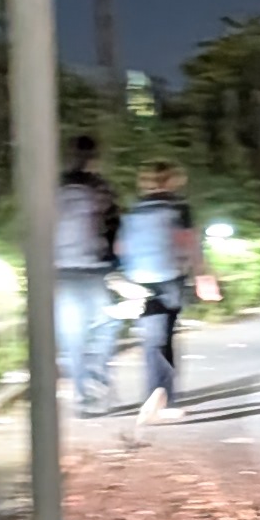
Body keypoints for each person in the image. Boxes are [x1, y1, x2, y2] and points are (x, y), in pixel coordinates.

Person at [115, 160, 198, 424]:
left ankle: (159, 397)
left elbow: (121, 247)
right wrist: (200, 271)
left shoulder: (134, 209)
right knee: (165, 339)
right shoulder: (179, 208)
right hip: (170, 277)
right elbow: (189, 242)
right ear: (171, 180)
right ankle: (161, 399)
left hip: (138, 280)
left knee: (153, 340)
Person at [54, 137, 120, 417]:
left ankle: (81, 395)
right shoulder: (99, 187)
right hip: (94, 268)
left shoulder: (52, 187)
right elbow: (114, 226)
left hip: (59, 271)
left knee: (71, 332)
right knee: (107, 323)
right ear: (94, 158)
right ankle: (94, 378)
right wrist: (116, 264)